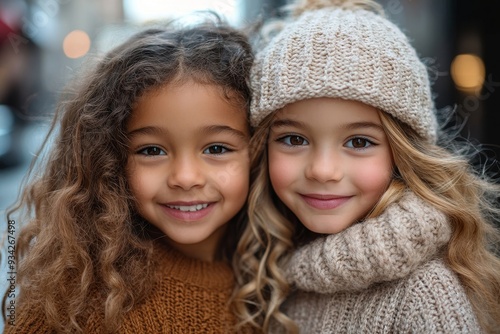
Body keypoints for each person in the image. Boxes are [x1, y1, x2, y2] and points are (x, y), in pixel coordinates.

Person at [232, 0, 500, 333]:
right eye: (294, 139)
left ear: (402, 154)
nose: (323, 170)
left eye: (359, 142)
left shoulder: (426, 294)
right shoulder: (269, 270)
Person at [2, 14, 255, 333]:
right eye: (152, 150)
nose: (186, 177)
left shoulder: (279, 276)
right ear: (109, 162)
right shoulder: (75, 299)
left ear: (257, 149)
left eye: (216, 149)